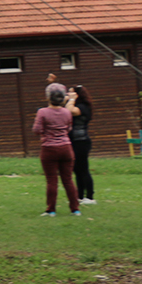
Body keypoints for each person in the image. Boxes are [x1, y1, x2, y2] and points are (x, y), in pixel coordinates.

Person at [32, 83, 81, 216]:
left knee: (52, 180)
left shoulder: (42, 112)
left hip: (49, 148)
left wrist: (45, 132)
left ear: (48, 97)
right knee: (68, 179)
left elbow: (36, 130)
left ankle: (51, 210)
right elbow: (68, 128)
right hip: (66, 148)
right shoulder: (67, 112)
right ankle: (75, 209)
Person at [68, 84, 96, 205]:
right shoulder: (76, 104)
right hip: (74, 141)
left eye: (70, 92)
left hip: (81, 141)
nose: (67, 95)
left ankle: (89, 197)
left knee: (83, 169)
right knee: (77, 170)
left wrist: (71, 99)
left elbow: (70, 111)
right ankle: (80, 196)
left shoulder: (82, 107)